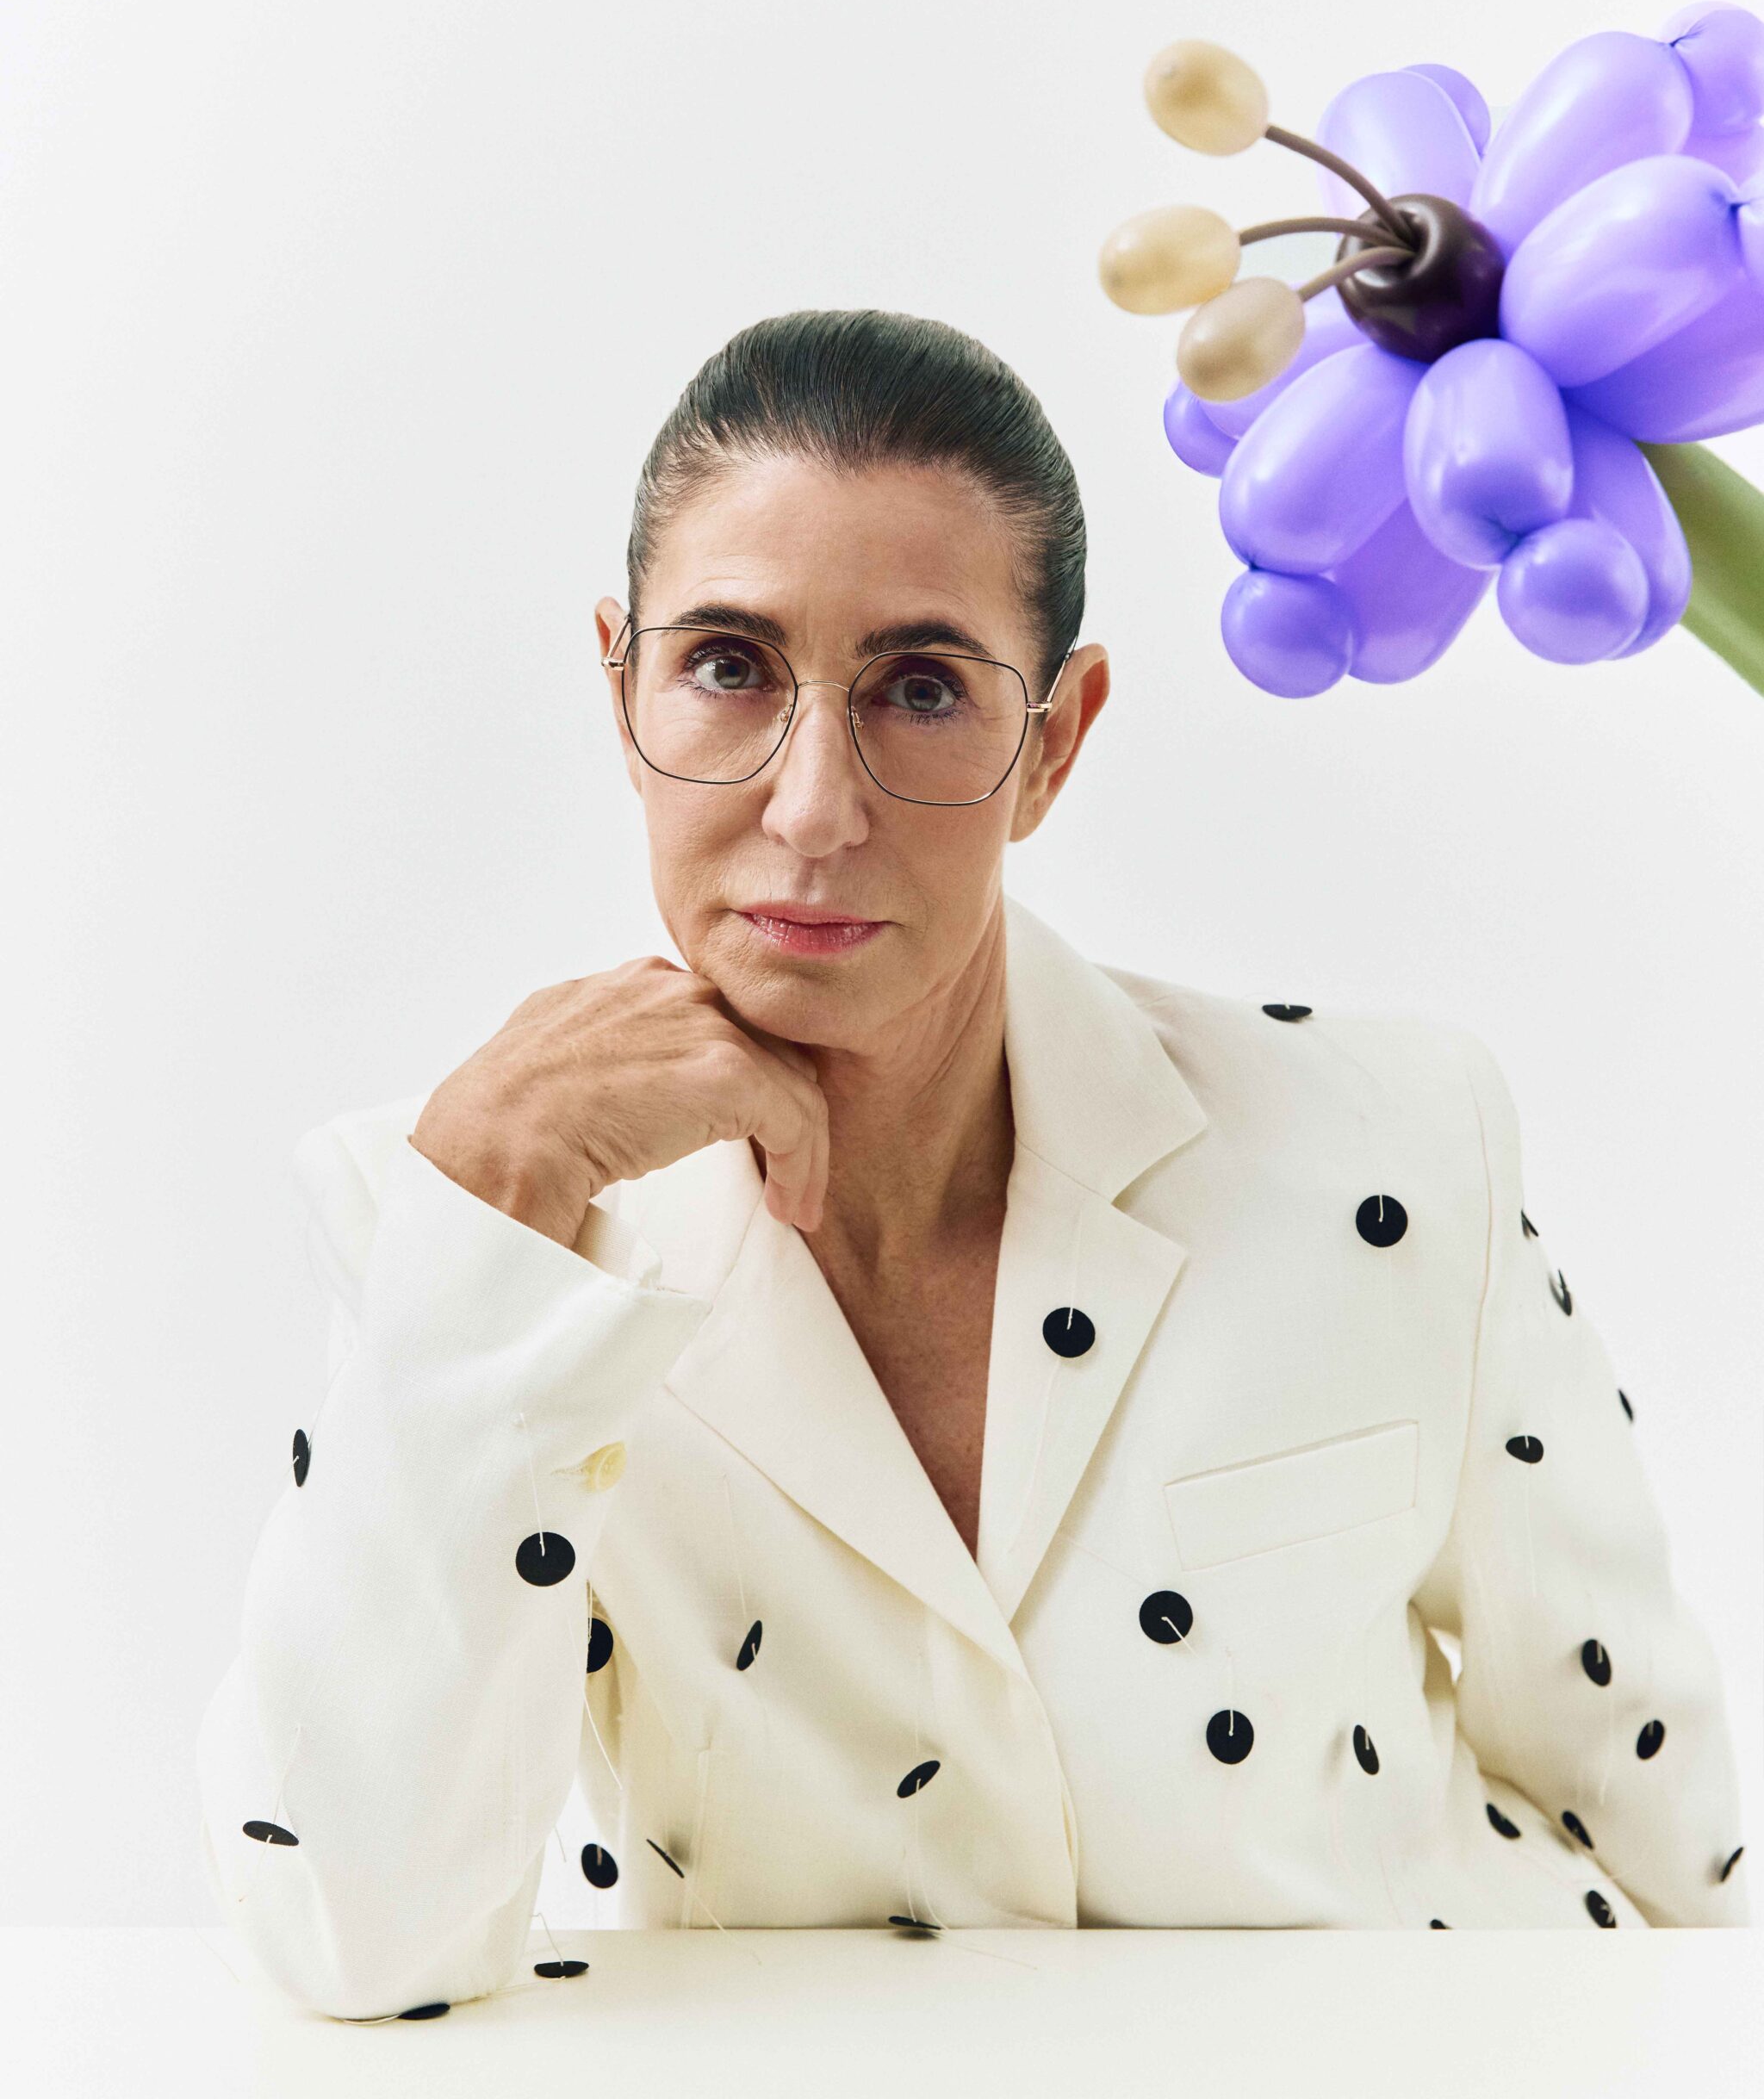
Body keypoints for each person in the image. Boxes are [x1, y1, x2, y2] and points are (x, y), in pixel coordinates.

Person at [197, 308, 1750, 2021]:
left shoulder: (1394, 1144)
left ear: (1054, 742)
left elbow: (1673, 1854)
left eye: (921, 688)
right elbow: (354, 1940)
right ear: (622, 689)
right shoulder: (485, 1227)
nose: (810, 807)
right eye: (727, 665)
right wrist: (495, 1180)